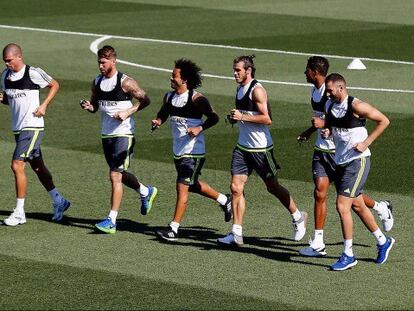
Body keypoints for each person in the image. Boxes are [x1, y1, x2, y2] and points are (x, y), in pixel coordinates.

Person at [298, 56, 394, 257]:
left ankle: (349, 253)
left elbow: (382, 120)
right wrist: (320, 130)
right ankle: (380, 238)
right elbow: (330, 120)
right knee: (331, 195)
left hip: (351, 157)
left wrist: (365, 142)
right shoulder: (323, 98)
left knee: (345, 204)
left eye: (307, 70)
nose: (329, 95)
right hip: (331, 153)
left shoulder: (350, 102)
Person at [217, 55, 307, 246]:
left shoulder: (257, 91)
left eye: (238, 70)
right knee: (235, 188)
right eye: (234, 70)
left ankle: (298, 217)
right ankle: (237, 233)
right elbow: (246, 115)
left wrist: (242, 116)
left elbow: (267, 119)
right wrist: (234, 118)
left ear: (248, 71)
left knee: (272, 186)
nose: (234, 73)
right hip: (243, 147)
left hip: (261, 148)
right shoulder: (239, 89)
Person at [152, 58, 232, 242]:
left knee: (182, 187)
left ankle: (173, 229)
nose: (171, 77)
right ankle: (224, 200)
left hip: (194, 151)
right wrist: (158, 121)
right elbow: (165, 112)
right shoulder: (169, 97)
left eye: (174, 75)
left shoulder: (197, 99)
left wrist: (199, 128)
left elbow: (214, 117)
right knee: (192, 184)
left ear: (184, 80)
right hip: (178, 150)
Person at [80, 45, 157, 234]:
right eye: (99, 62)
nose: (100, 66)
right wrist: (89, 106)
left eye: (104, 62)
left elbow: (146, 100)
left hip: (124, 134)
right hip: (107, 135)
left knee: (115, 175)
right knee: (119, 174)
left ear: (113, 61)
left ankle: (111, 220)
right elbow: (96, 106)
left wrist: (128, 111)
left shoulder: (126, 82)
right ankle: (146, 191)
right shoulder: (97, 82)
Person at [0, 43, 70, 226]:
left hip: (32, 127)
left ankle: (19, 212)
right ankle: (59, 200)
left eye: (9, 61)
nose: (7, 64)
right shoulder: (5, 76)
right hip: (18, 129)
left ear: (19, 57)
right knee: (38, 167)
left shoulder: (33, 73)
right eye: (4, 61)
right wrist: (2, 99)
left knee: (17, 165)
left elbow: (54, 85)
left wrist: (44, 105)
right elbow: (9, 99)